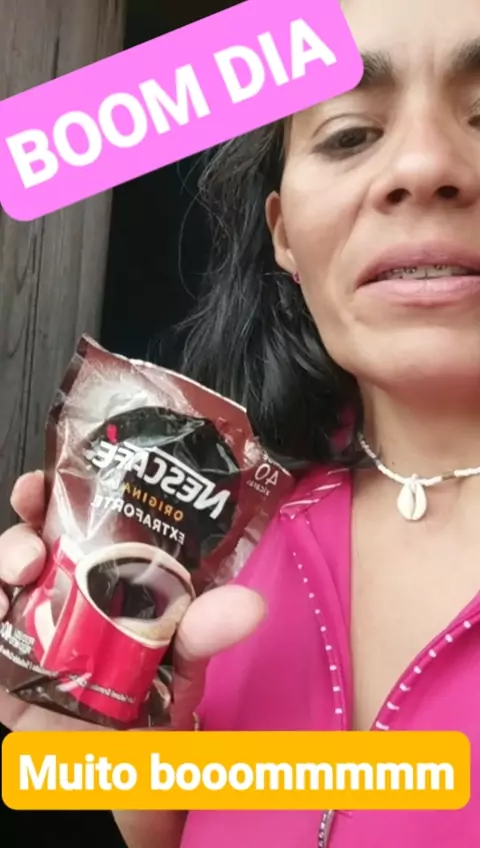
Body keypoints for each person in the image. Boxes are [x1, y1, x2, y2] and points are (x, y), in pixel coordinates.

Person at [2, 0, 480, 843]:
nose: (423, 165)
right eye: (349, 135)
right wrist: (127, 752)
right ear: (284, 235)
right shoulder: (224, 536)